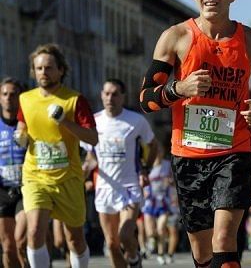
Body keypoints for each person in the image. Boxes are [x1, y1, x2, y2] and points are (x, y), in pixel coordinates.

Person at [139, 0, 251, 268]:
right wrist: (178, 89)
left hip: (233, 152)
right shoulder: (176, 37)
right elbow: (145, 100)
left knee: (223, 240)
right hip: (188, 155)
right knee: (203, 252)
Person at [17, 43, 98, 268]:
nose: (44, 72)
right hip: (35, 176)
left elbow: (92, 138)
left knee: (74, 239)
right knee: (34, 232)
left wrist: (65, 121)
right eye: (39, 68)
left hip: (68, 178)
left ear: (61, 70)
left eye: (49, 68)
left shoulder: (74, 100)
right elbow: (23, 127)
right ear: (34, 71)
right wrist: (20, 136)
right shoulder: (26, 99)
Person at [83, 78, 158, 268]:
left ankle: (133, 257)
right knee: (111, 244)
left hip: (129, 186)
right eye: (107, 94)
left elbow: (153, 145)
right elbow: (91, 156)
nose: (110, 98)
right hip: (105, 188)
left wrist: (146, 169)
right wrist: (87, 167)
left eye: (115, 94)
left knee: (125, 235)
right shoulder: (94, 122)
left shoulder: (136, 121)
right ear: (101, 95)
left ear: (122, 97)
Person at [0, 77, 28, 267]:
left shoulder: (28, 124)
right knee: (8, 247)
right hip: (2, 191)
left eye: (13, 94)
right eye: (5, 94)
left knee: (21, 241)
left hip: (26, 189)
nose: (9, 98)